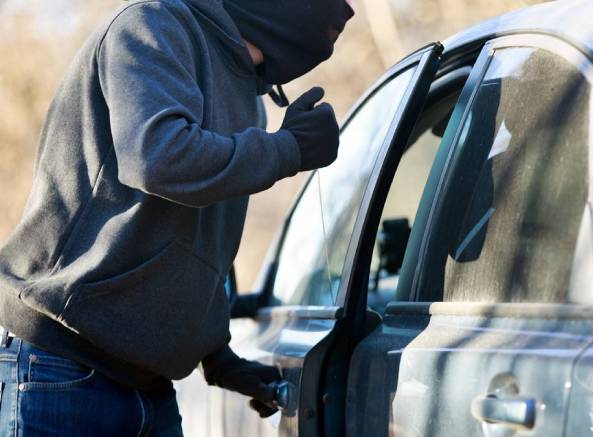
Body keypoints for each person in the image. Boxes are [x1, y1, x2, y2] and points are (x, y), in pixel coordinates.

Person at [0, 0, 353, 434]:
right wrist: (286, 149)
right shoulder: (151, 26)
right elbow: (157, 158)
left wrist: (219, 356)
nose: (345, 12)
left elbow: (199, 240)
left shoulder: (250, 100)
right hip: (63, 367)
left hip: (151, 388)